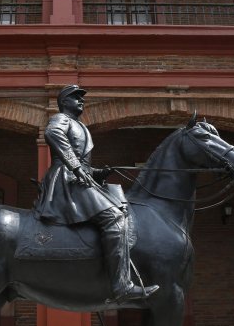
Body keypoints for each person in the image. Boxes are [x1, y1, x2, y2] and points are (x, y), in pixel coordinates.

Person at [35, 85, 159, 303]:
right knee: (114, 217)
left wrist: (100, 173)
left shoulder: (80, 125)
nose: (81, 101)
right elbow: (52, 133)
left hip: (77, 176)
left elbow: (83, 166)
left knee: (122, 210)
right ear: (64, 102)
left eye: (81, 98)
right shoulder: (61, 119)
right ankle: (121, 286)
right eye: (75, 98)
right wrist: (75, 166)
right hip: (66, 180)